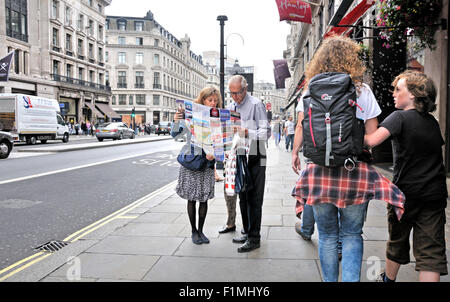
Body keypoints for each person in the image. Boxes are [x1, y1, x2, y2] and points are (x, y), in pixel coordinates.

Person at [291, 35, 406, 282]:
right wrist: (350, 139)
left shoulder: (310, 89)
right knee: (352, 234)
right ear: (351, 60)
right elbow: (372, 135)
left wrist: (294, 153)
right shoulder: (361, 90)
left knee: (328, 235)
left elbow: (301, 126)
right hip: (354, 170)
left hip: (319, 169)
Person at [364, 71, 448, 282]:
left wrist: (352, 127)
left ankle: (388, 279)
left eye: (398, 89)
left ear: (413, 94)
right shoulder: (432, 122)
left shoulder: (398, 117)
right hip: (434, 195)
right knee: (430, 253)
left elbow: (372, 140)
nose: (393, 93)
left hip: (404, 195)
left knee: (398, 241)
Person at [171, 86, 221, 245]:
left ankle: (201, 231)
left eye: (215, 100)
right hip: (192, 161)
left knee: (204, 199)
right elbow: (176, 135)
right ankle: (194, 231)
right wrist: (176, 121)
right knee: (192, 199)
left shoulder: (218, 117)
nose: (213, 103)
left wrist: (216, 152)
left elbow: (221, 140)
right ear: (203, 100)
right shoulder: (191, 115)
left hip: (207, 161)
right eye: (209, 100)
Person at [227, 75, 271, 253]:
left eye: (237, 93)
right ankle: (247, 231)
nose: (234, 97)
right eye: (231, 93)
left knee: (254, 198)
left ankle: (255, 238)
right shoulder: (230, 107)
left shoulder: (256, 104)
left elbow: (266, 132)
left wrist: (247, 132)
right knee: (243, 196)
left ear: (245, 89)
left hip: (256, 153)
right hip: (239, 154)